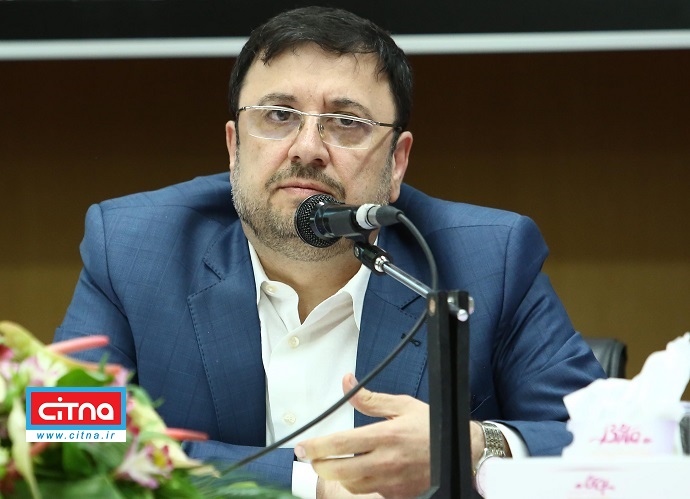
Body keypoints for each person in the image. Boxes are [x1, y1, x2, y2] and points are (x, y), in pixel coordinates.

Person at [54, 6, 605, 498]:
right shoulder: (134, 248)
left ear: (397, 162)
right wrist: (308, 485)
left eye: (346, 122)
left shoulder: (487, 258)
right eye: (278, 115)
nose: (308, 149)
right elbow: (63, 435)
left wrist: (474, 446)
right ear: (234, 146)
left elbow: (610, 444)